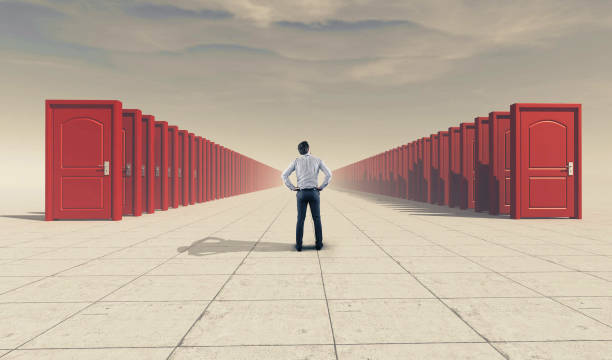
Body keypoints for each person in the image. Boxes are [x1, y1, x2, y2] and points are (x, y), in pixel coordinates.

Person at [281, 141, 332, 251]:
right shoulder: (318, 160)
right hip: (314, 192)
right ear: (309, 148)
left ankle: (299, 246)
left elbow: (284, 175)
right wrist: (322, 186)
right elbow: (329, 174)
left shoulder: (296, 161)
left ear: (299, 151)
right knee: (317, 219)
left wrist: (292, 187)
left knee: (300, 219)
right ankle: (318, 244)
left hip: (301, 193)